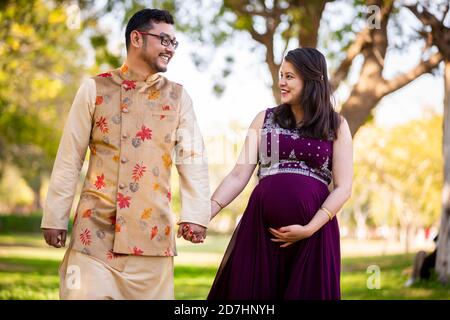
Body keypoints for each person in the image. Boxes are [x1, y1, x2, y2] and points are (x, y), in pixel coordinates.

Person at [41, 8, 210, 300]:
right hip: (93, 236)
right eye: (164, 40)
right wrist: (55, 216)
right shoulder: (94, 88)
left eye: (174, 43)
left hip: (152, 240)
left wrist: (196, 216)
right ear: (136, 38)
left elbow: (193, 160)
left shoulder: (179, 97)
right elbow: (70, 157)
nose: (170, 49)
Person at [207, 48, 353, 300]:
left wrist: (309, 228)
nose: (281, 82)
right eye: (281, 75)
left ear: (312, 79)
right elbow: (238, 174)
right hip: (260, 231)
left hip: (313, 236)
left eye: (289, 77)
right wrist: (206, 212)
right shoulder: (264, 119)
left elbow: (343, 187)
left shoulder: (336, 125)